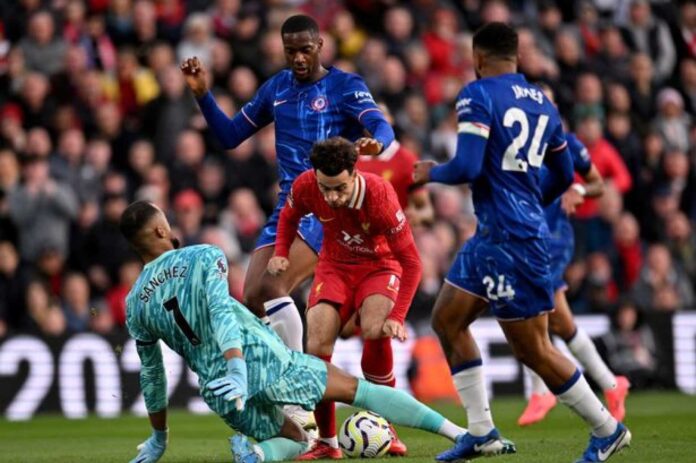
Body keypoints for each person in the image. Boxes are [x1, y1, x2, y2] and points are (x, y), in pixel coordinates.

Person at [412, 23, 631, 462]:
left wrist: (429, 172)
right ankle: (482, 432)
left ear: (477, 58)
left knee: (534, 349)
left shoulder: (478, 95)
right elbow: (567, 177)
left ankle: (607, 429)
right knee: (448, 320)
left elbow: (468, 166)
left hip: (514, 240)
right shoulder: (545, 107)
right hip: (493, 236)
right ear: (517, 57)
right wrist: (530, 200)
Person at [120, 200, 478, 463]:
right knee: (358, 390)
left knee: (298, 440)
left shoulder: (135, 303)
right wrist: (237, 366)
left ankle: (258, 455)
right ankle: (462, 434)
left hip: (219, 389)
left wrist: (158, 437)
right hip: (257, 360)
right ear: (160, 230)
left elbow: (153, 376)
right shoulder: (202, 256)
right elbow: (219, 311)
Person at [181, 13, 393, 431]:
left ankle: (300, 394)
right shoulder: (276, 88)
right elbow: (228, 137)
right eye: (290, 50)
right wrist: (204, 95)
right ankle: (293, 386)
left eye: (305, 49)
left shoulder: (345, 86)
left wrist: (376, 141)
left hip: (329, 204)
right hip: (288, 205)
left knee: (274, 285)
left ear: (320, 46)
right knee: (253, 295)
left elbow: (381, 124)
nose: (298, 57)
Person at [267, 137, 421, 459]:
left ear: (355, 172)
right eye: (326, 188)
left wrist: (398, 316)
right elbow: (288, 217)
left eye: (340, 188)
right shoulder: (308, 184)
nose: (332, 197)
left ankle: (385, 426)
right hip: (334, 266)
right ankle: (328, 442)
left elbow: (412, 263)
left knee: (377, 330)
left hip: (379, 266)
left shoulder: (379, 195)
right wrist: (282, 252)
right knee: (316, 349)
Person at [518, 85, 630, 427]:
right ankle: (612, 384)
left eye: (548, 101)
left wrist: (578, 188)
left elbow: (598, 183)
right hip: (526, 237)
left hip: (554, 237)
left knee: (529, 307)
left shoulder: (565, 141)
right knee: (561, 323)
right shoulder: (516, 141)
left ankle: (541, 390)